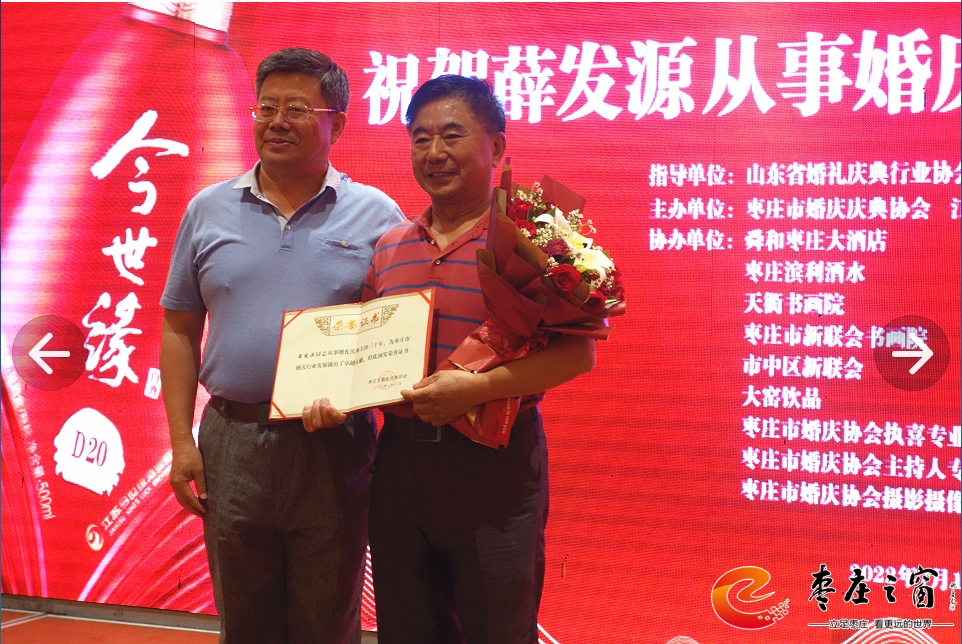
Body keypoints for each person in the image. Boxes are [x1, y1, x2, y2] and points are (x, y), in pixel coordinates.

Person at [303, 75, 595, 643]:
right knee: (408, 628)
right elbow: (363, 354)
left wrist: (477, 390)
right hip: (400, 466)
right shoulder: (390, 246)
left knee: (498, 629)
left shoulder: (537, 239)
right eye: (421, 138)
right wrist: (332, 397)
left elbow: (577, 354)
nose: (434, 153)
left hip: (495, 466)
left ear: (496, 146)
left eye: (452, 135)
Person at [160, 48, 405, 644]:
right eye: (266, 107)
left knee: (327, 619)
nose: (276, 121)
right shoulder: (208, 209)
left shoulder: (377, 215)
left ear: (336, 125)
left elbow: (395, 336)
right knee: (244, 619)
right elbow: (178, 329)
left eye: (297, 108)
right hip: (232, 440)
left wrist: (356, 395)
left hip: (332, 445)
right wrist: (181, 442)